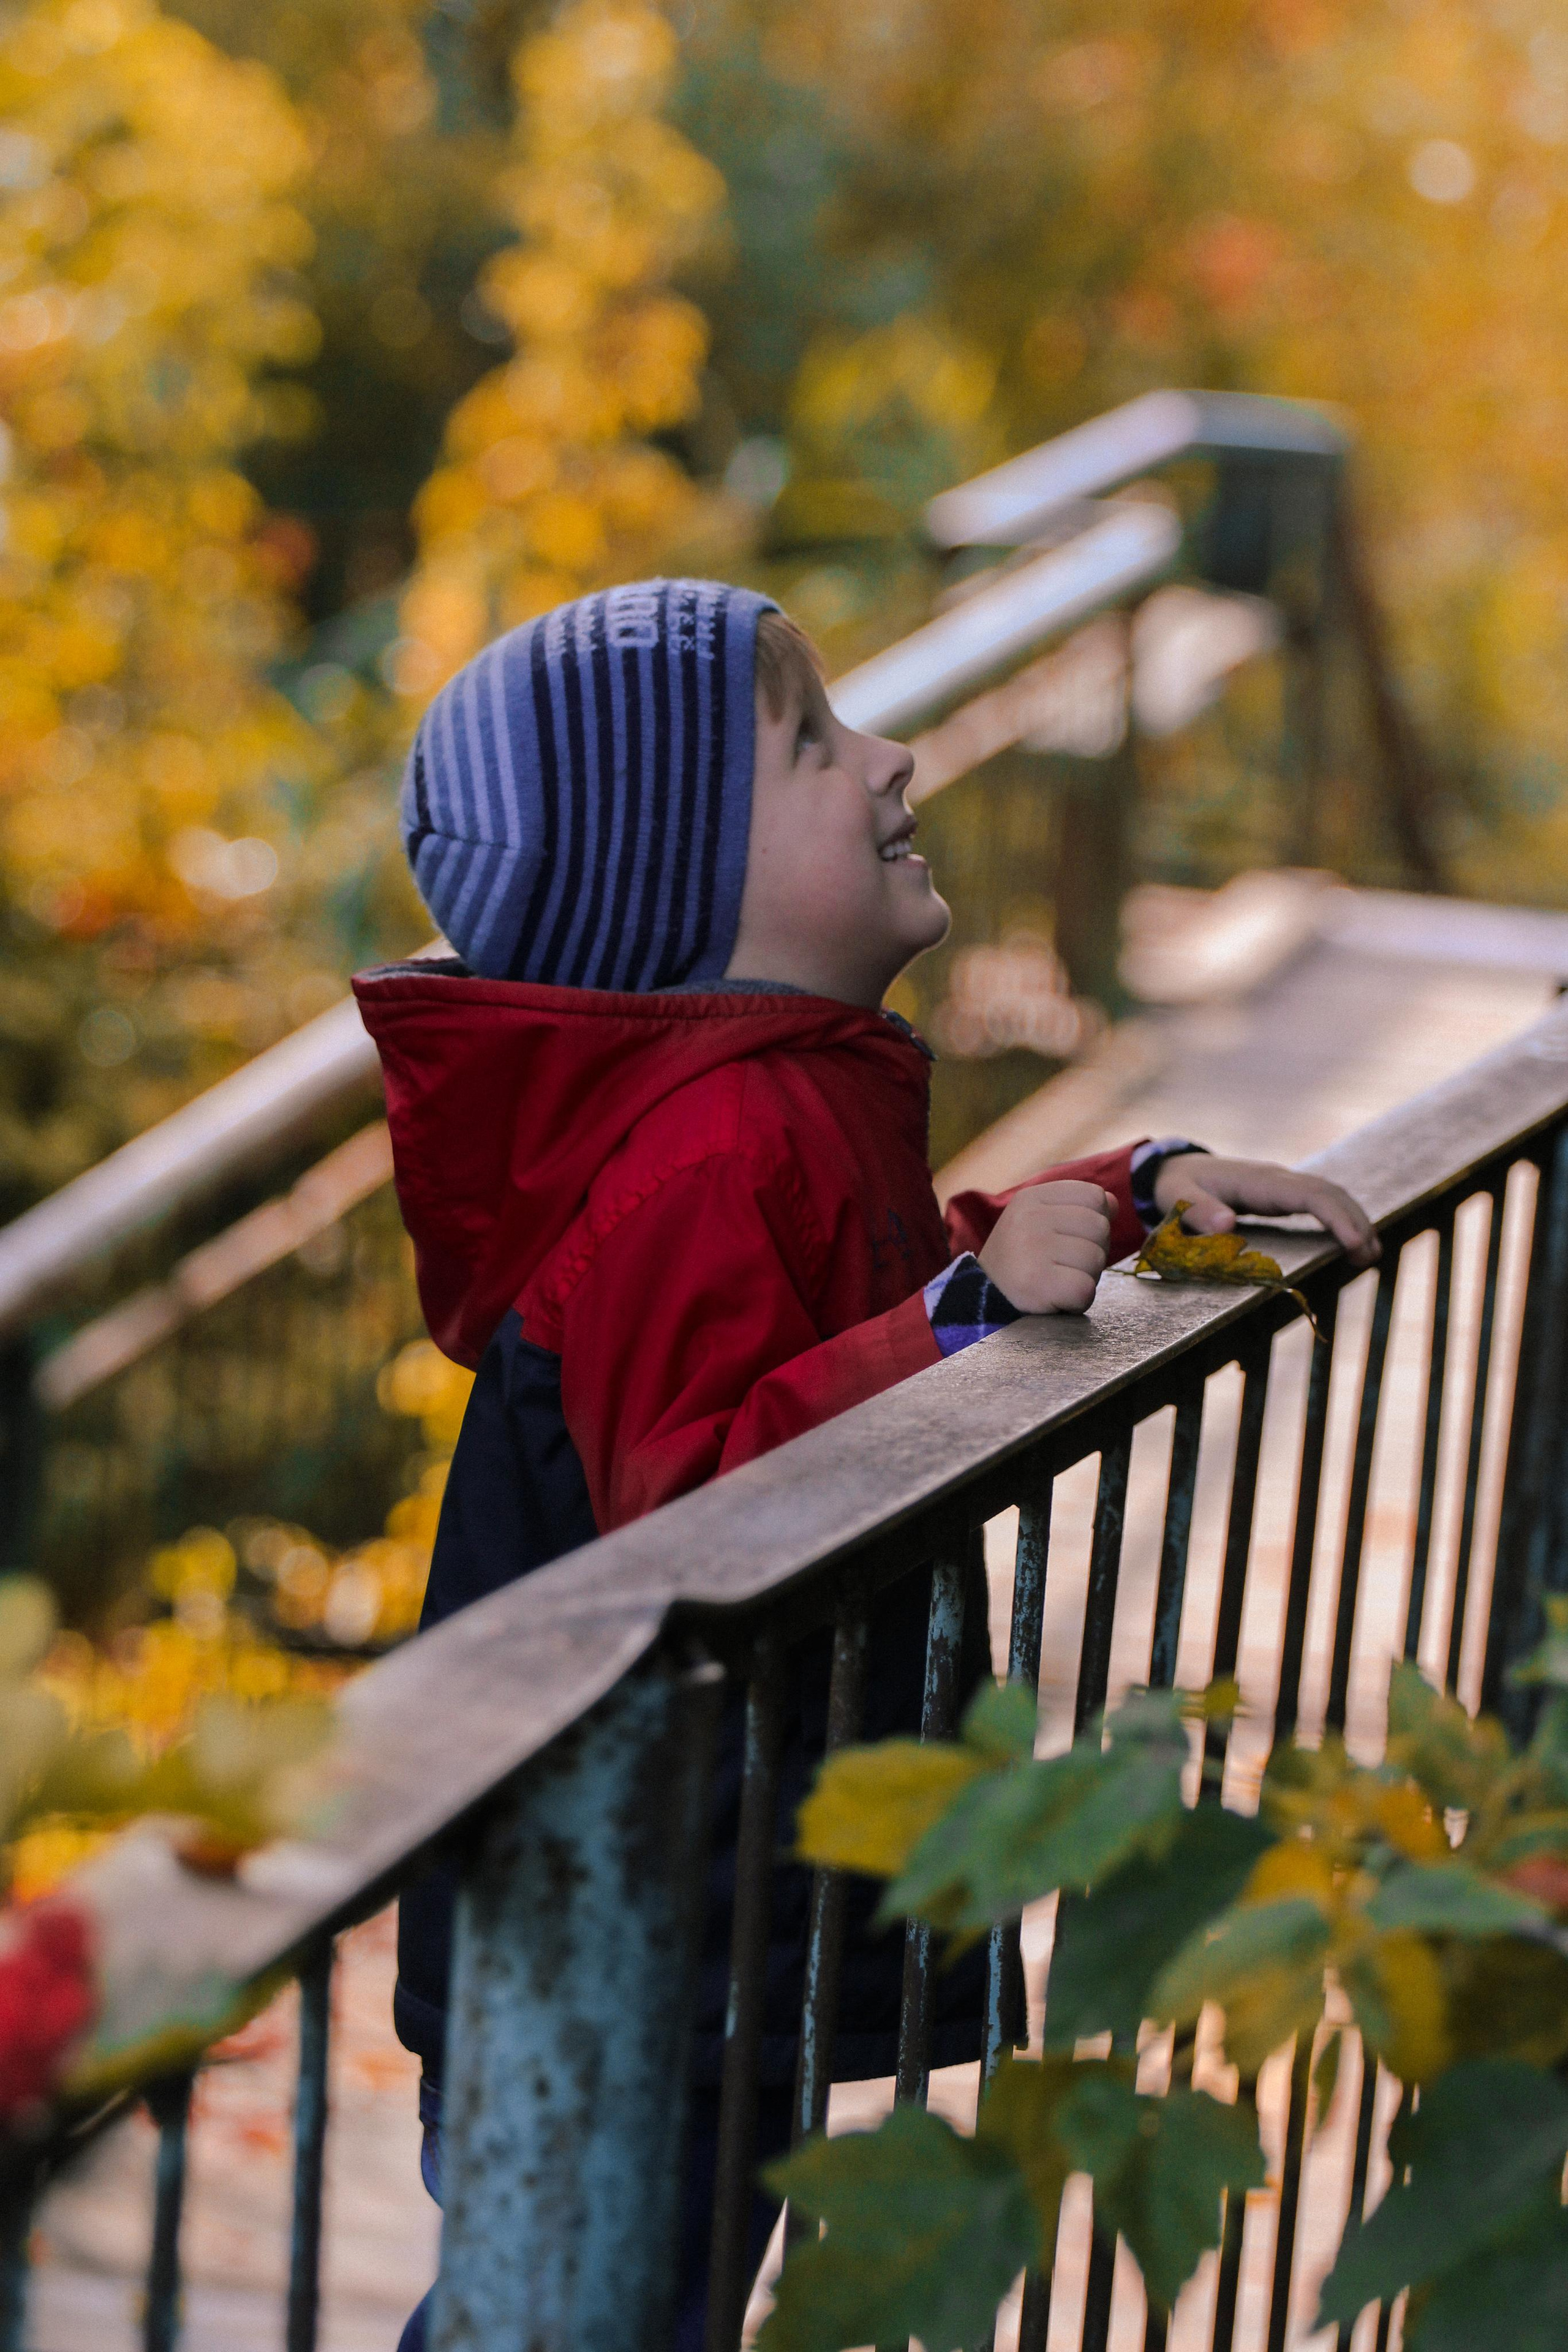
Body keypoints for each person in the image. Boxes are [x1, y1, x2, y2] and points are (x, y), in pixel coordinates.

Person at [353, 579, 1376, 2352]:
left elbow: (832, 1323)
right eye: (814, 741)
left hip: (690, 1912)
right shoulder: (707, 1144)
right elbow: (691, 1515)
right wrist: (963, 1315)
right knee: (577, 2315)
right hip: (627, 1931)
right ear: (682, 877)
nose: (895, 754)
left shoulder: (774, 1094)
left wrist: (1122, 1194)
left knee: (621, 2305)